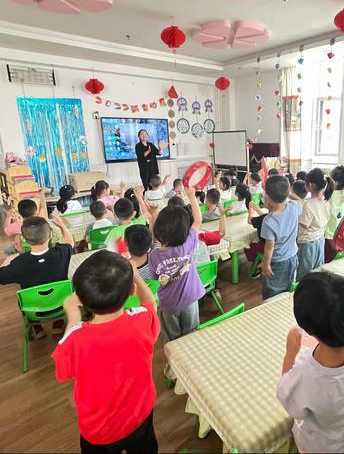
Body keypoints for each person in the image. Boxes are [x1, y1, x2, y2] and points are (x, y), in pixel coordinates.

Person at [277, 232, 344, 454]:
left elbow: (289, 402)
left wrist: (289, 355)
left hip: (315, 446)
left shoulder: (307, 373)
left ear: (309, 330)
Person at [52, 251, 159, 453]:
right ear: (131, 291)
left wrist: (73, 313)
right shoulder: (141, 320)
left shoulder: (75, 340)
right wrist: (135, 274)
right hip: (140, 414)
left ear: (81, 299)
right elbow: (150, 304)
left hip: (98, 430)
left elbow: (63, 373)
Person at [0, 215, 74, 338]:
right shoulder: (61, 252)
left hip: (33, 310)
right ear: (50, 235)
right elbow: (70, 242)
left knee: (25, 298)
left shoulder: (19, 263)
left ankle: (37, 328)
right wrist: (61, 225)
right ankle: (58, 324)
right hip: (61, 304)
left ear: (24, 239)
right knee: (60, 291)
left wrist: (8, 260)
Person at [149, 186, 204, 341]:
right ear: (185, 230)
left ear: (159, 231)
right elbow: (198, 221)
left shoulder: (154, 256)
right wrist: (192, 197)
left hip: (168, 304)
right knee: (192, 335)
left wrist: (153, 217)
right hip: (190, 298)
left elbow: (154, 277)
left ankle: (173, 363)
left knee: (172, 339)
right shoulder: (187, 245)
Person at [260, 175, 302, 300]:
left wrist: (266, 264)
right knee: (288, 288)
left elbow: (269, 247)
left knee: (272, 292)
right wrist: (289, 194)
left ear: (267, 196)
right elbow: (301, 201)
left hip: (277, 262)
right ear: (288, 192)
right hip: (293, 256)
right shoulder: (294, 207)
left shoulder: (268, 221)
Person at [295, 169, 333, 281]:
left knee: (304, 273)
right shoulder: (326, 200)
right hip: (320, 239)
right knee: (317, 270)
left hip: (308, 243)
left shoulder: (308, 205)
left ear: (310, 185)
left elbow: (304, 225)